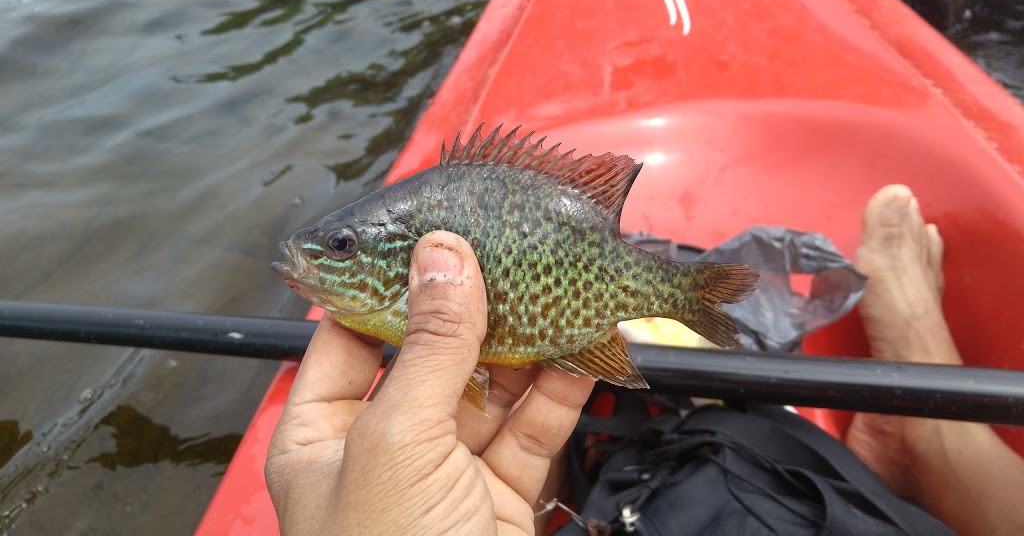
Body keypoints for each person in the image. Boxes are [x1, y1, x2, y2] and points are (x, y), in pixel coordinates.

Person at [264, 185, 1024, 536]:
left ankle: (589, 458)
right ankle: (931, 421)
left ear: (412, 267)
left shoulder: (415, 297)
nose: (321, 259)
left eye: (342, 249)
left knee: (534, 415)